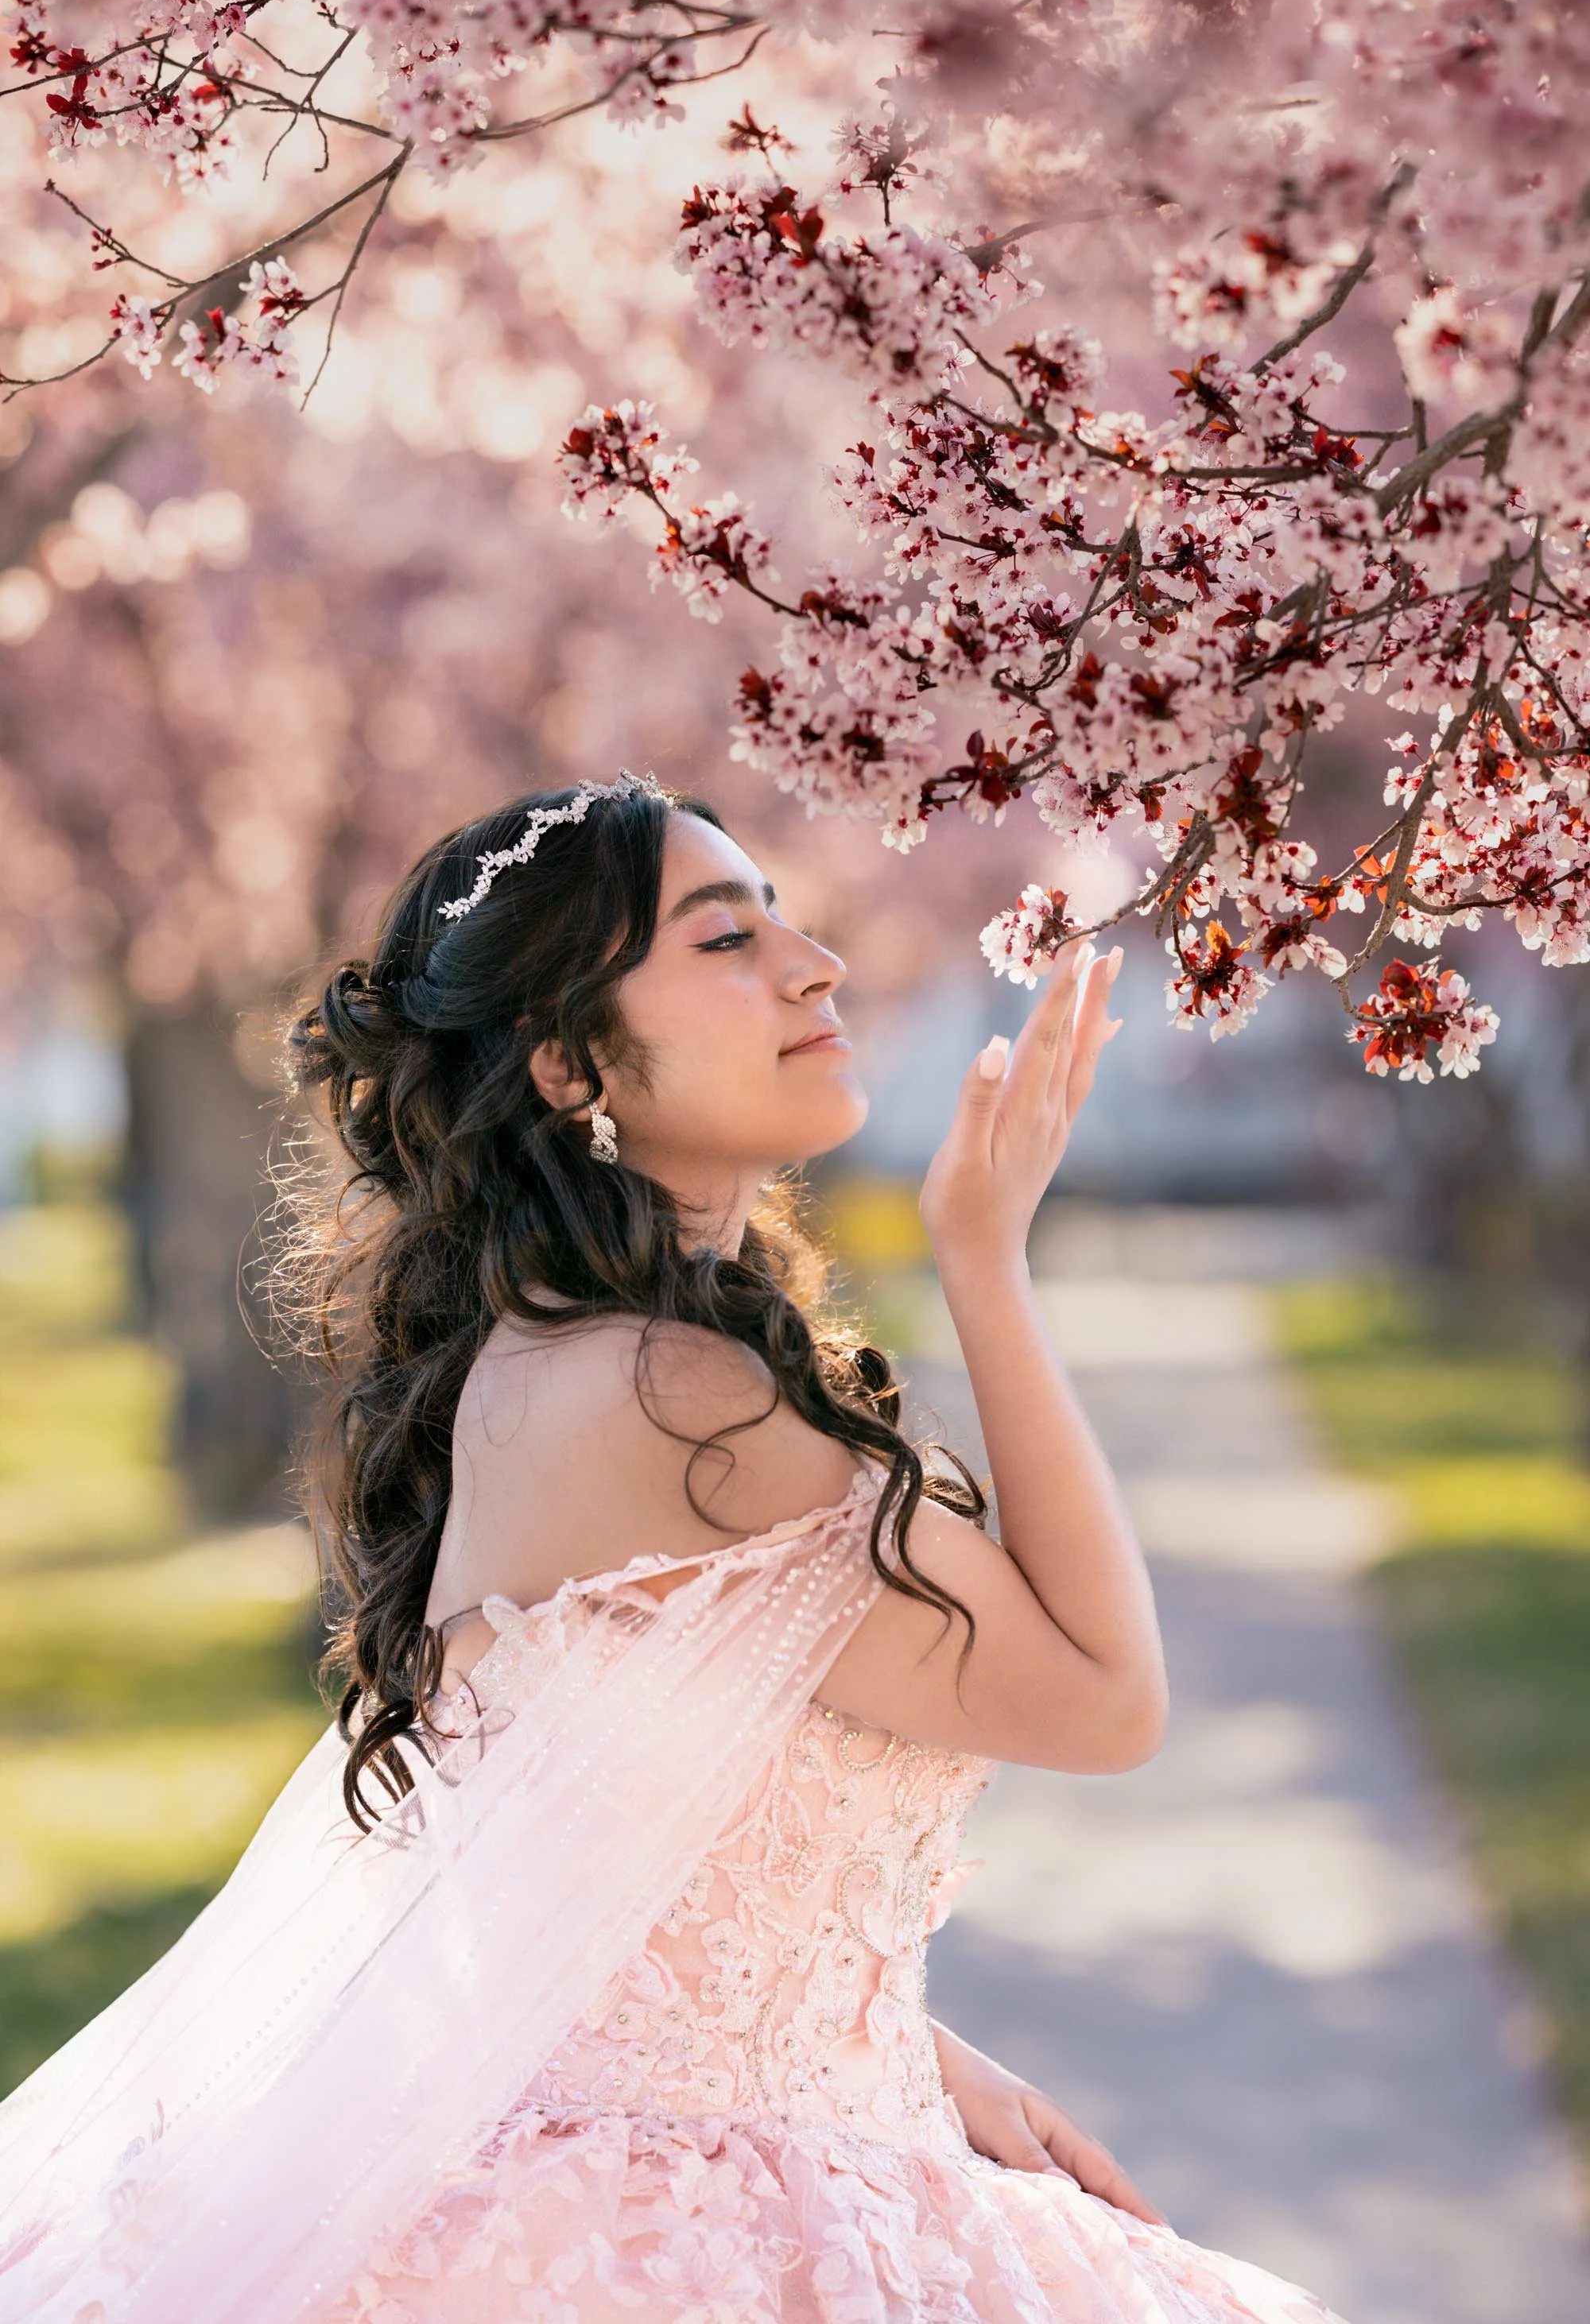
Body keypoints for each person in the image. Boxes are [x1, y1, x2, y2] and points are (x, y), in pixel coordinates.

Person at [0, 769, 1345, 2324]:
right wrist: (985, 1253)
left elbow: (568, 1871)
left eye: (779, 915)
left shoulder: (569, 1357)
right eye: (723, 939)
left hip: (674, 2145)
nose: (813, 963)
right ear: (573, 1061)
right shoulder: (675, 1396)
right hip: (670, 2237)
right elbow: (1104, 1697)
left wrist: (886, 2044)